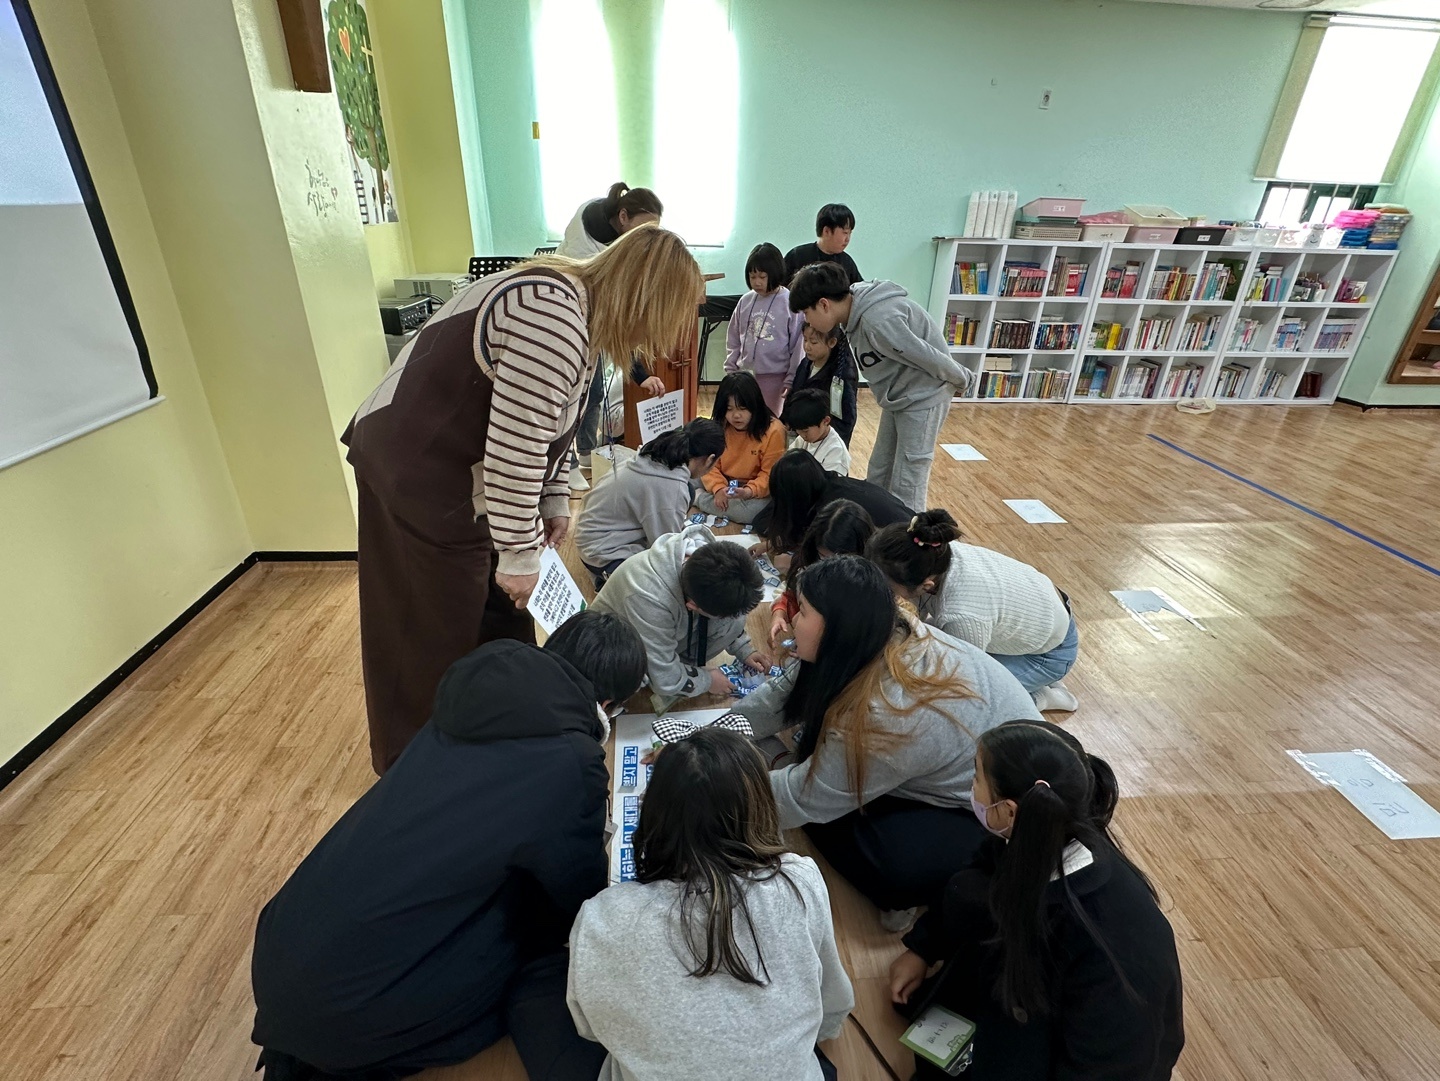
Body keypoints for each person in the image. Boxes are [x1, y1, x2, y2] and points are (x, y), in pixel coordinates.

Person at [343, 224, 703, 774]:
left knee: (500, 616)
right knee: (428, 630)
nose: (667, 335)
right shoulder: (552, 314)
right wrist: (517, 551)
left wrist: (552, 500)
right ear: (646, 299)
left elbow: (552, 426)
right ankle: (412, 768)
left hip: (465, 474)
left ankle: (486, 730)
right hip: (420, 472)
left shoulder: (579, 311)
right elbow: (516, 446)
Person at [250, 611, 647, 1081]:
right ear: (607, 704)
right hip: (355, 1013)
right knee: (540, 950)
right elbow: (577, 892)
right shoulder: (571, 759)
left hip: (280, 953)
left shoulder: (479, 690)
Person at [735, 556, 1041, 925]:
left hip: (998, 807)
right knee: (823, 773)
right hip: (967, 756)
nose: (793, 620)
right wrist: (713, 732)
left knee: (858, 843)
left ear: (835, 626)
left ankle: (944, 884)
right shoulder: (872, 631)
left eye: (803, 611)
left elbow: (805, 798)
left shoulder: (890, 710)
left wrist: (714, 789)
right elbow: (781, 695)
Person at [889, 721, 1184, 1080]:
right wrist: (923, 947)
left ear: (1009, 811)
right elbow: (976, 876)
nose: (971, 787)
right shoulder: (1042, 835)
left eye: (976, 777)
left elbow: (1113, 1064)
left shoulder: (1105, 950)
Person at [566, 727, 854, 1081]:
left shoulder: (603, 917)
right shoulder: (799, 880)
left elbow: (590, 1026)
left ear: (653, 813)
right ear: (761, 808)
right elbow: (834, 1001)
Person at [789, 262, 971, 511]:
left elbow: (927, 356)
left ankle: (908, 531)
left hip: (924, 396)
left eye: (806, 313)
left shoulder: (878, 320)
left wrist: (963, 379)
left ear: (823, 304)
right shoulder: (852, 316)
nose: (806, 320)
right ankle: (876, 522)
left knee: (908, 477)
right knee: (880, 468)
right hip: (898, 397)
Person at [869, 510, 1079, 713]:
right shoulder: (932, 555)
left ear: (926, 585)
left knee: (959, 700)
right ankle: (1027, 675)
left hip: (1050, 654)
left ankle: (1045, 696)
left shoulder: (961, 614)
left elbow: (967, 677)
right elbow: (914, 622)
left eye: (890, 589)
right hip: (1041, 615)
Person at [556, 183, 668, 491]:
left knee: (593, 394)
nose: (647, 237)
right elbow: (616, 323)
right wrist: (640, 374)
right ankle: (567, 464)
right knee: (573, 397)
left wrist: (641, 375)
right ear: (623, 217)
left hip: (592, 321)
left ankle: (587, 451)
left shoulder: (616, 229)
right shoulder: (585, 247)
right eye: (644, 228)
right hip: (570, 322)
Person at [590, 524, 766, 711]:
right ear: (693, 606)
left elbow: (729, 614)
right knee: (643, 681)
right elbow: (664, 679)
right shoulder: (648, 597)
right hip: (616, 648)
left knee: (735, 620)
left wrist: (743, 648)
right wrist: (707, 681)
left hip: (661, 630)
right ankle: (676, 674)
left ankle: (680, 671)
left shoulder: (711, 559)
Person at [575, 419, 725, 589]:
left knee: (689, 492)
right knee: (673, 583)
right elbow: (666, 549)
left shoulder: (657, 453)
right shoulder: (672, 487)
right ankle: (610, 579)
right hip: (603, 553)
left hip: (592, 536)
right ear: (710, 460)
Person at [753, 448, 911, 560]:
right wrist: (774, 543)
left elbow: (839, 562)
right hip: (907, 526)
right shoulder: (830, 484)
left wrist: (794, 563)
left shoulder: (831, 510)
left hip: (903, 550)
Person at [768, 499, 875, 651]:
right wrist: (779, 613)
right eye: (823, 557)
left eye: (838, 561)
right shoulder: (809, 563)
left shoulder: (868, 594)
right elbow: (790, 592)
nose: (828, 566)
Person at [694, 371, 787, 525]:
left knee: (753, 513)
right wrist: (718, 488)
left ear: (755, 405)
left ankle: (698, 498)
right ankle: (704, 496)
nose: (736, 416)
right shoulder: (720, 424)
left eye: (742, 408)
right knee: (687, 473)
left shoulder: (774, 430)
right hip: (724, 480)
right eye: (729, 409)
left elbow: (770, 475)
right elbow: (709, 464)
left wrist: (749, 491)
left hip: (754, 487)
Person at [726, 242, 805, 415]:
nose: (757, 282)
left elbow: (798, 346)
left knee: (769, 421)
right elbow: (733, 338)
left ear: (775, 273)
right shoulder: (745, 301)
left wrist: (791, 379)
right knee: (746, 418)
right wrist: (731, 369)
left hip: (776, 379)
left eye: (762, 277)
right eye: (752, 276)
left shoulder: (789, 302)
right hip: (745, 376)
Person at [789, 322, 859, 446]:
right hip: (803, 435)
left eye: (813, 342)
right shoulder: (806, 363)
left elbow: (846, 419)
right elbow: (794, 393)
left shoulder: (843, 374)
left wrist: (832, 444)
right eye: (805, 340)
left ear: (831, 342)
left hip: (824, 441)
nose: (807, 347)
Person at [784, 203, 863, 286]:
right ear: (826, 231)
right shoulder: (797, 255)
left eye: (850, 233)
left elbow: (859, 289)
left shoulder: (847, 262)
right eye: (845, 232)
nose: (847, 239)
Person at [781, 388, 851, 476]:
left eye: (805, 431)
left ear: (826, 421)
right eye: (798, 431)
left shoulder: (836, 452)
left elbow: (831, 484)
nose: (802, 435)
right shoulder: (802, 439)